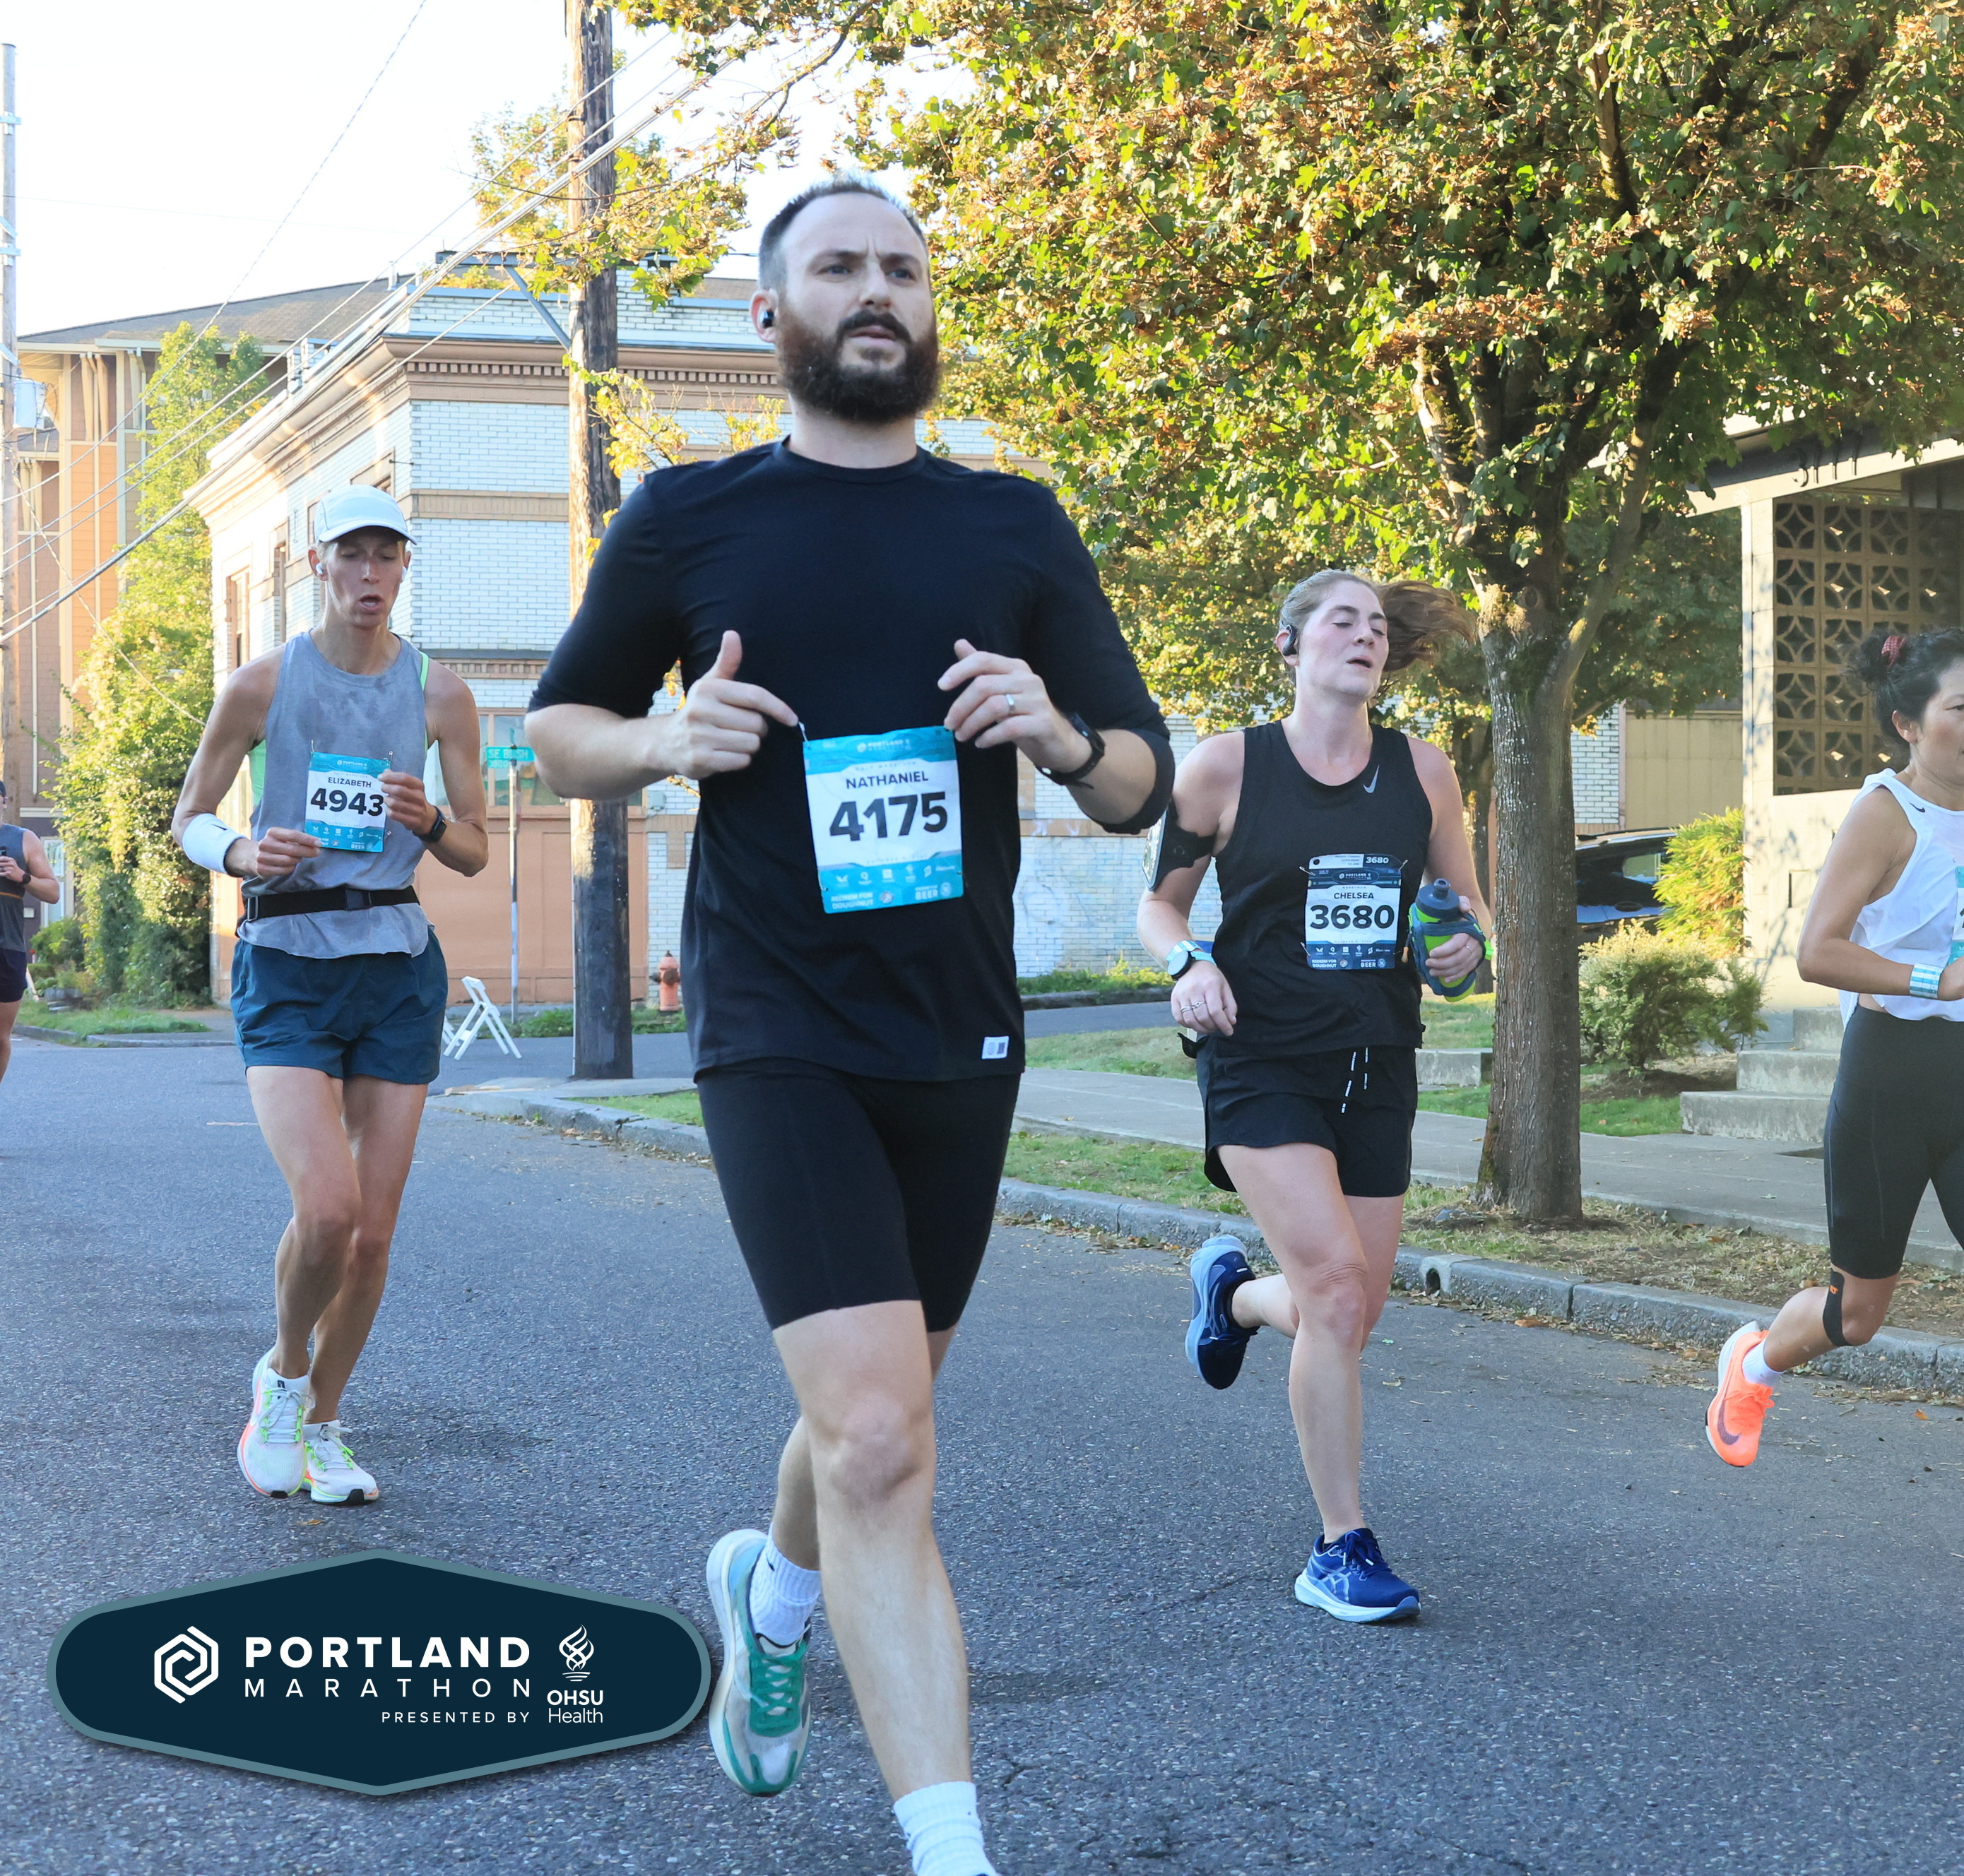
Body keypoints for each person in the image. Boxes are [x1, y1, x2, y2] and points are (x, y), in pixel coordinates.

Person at [526, 175, 1171, 1876]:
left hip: (955, 1029)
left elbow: (1140, 774)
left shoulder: (1013, 524)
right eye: (838, 267)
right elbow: (560, 725)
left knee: (874, 1409)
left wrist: (1056, 731)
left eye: (902, 267)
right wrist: (665, 742)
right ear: (772, 315)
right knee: (882, 1436)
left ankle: (772, 1590)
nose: (876, 290)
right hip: (775, 1021)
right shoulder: (688, 516)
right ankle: (953, 1849)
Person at [1702, 627, 1964, 1604]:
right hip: (1889, 1084)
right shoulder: (1882, 816)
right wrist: (1932, 980)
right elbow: (1818, 950)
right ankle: (1755, 1361)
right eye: (1961, 708)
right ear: (1908, 722)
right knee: (1857, 1315)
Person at [1137, 572, 1489, 1625]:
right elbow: (1160, 907)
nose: (1366, 635)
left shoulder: (1423, 771)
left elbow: (1467, 914)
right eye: (1343, 620)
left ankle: (1236, 1298)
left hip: (1376, 1056)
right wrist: (1187, 965)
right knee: (1334, 1290)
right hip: (1260, 1056)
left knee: (1350, 1313)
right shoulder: (1226, 766)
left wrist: (1462, 946)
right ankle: (1341, 1547)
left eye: (1378, 625)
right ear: (1290, 646)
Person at [170, 487, 492, 1507]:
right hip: (287, 956)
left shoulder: (442, 695)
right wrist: (240, 851)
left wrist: (429, 821)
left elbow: (476, 849)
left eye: (386, 556)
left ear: (404, 568)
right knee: (328, 1208)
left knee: (374, 1234)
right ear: (319, 565)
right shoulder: (262, 684)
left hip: (396, 962)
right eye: (352, 554)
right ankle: (282, 1378)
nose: (369, 574)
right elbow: (187, 815)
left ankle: (323, 1424)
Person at [0, 776, 63, 1084]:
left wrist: (22, 876)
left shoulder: (23, 839)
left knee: (1, 1036)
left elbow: (53, 892)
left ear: (4, 802)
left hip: (8, 948)